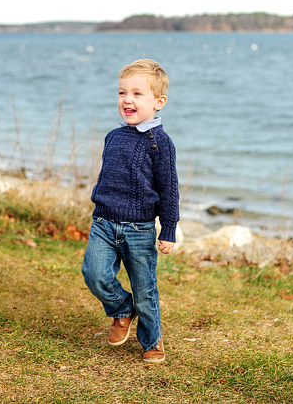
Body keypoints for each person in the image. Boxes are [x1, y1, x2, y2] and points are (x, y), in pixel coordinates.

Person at [81, 58, 179, 364]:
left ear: (158, 102)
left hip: (139, 229)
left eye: (138, 94)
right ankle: (122, 309)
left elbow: (169, 189)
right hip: (103, 221)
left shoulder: (160, 143)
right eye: (122, 93)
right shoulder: (113, 136)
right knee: (93, 273)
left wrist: (170, 228)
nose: (127, 100)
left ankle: (152, 341)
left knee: (145, 288)